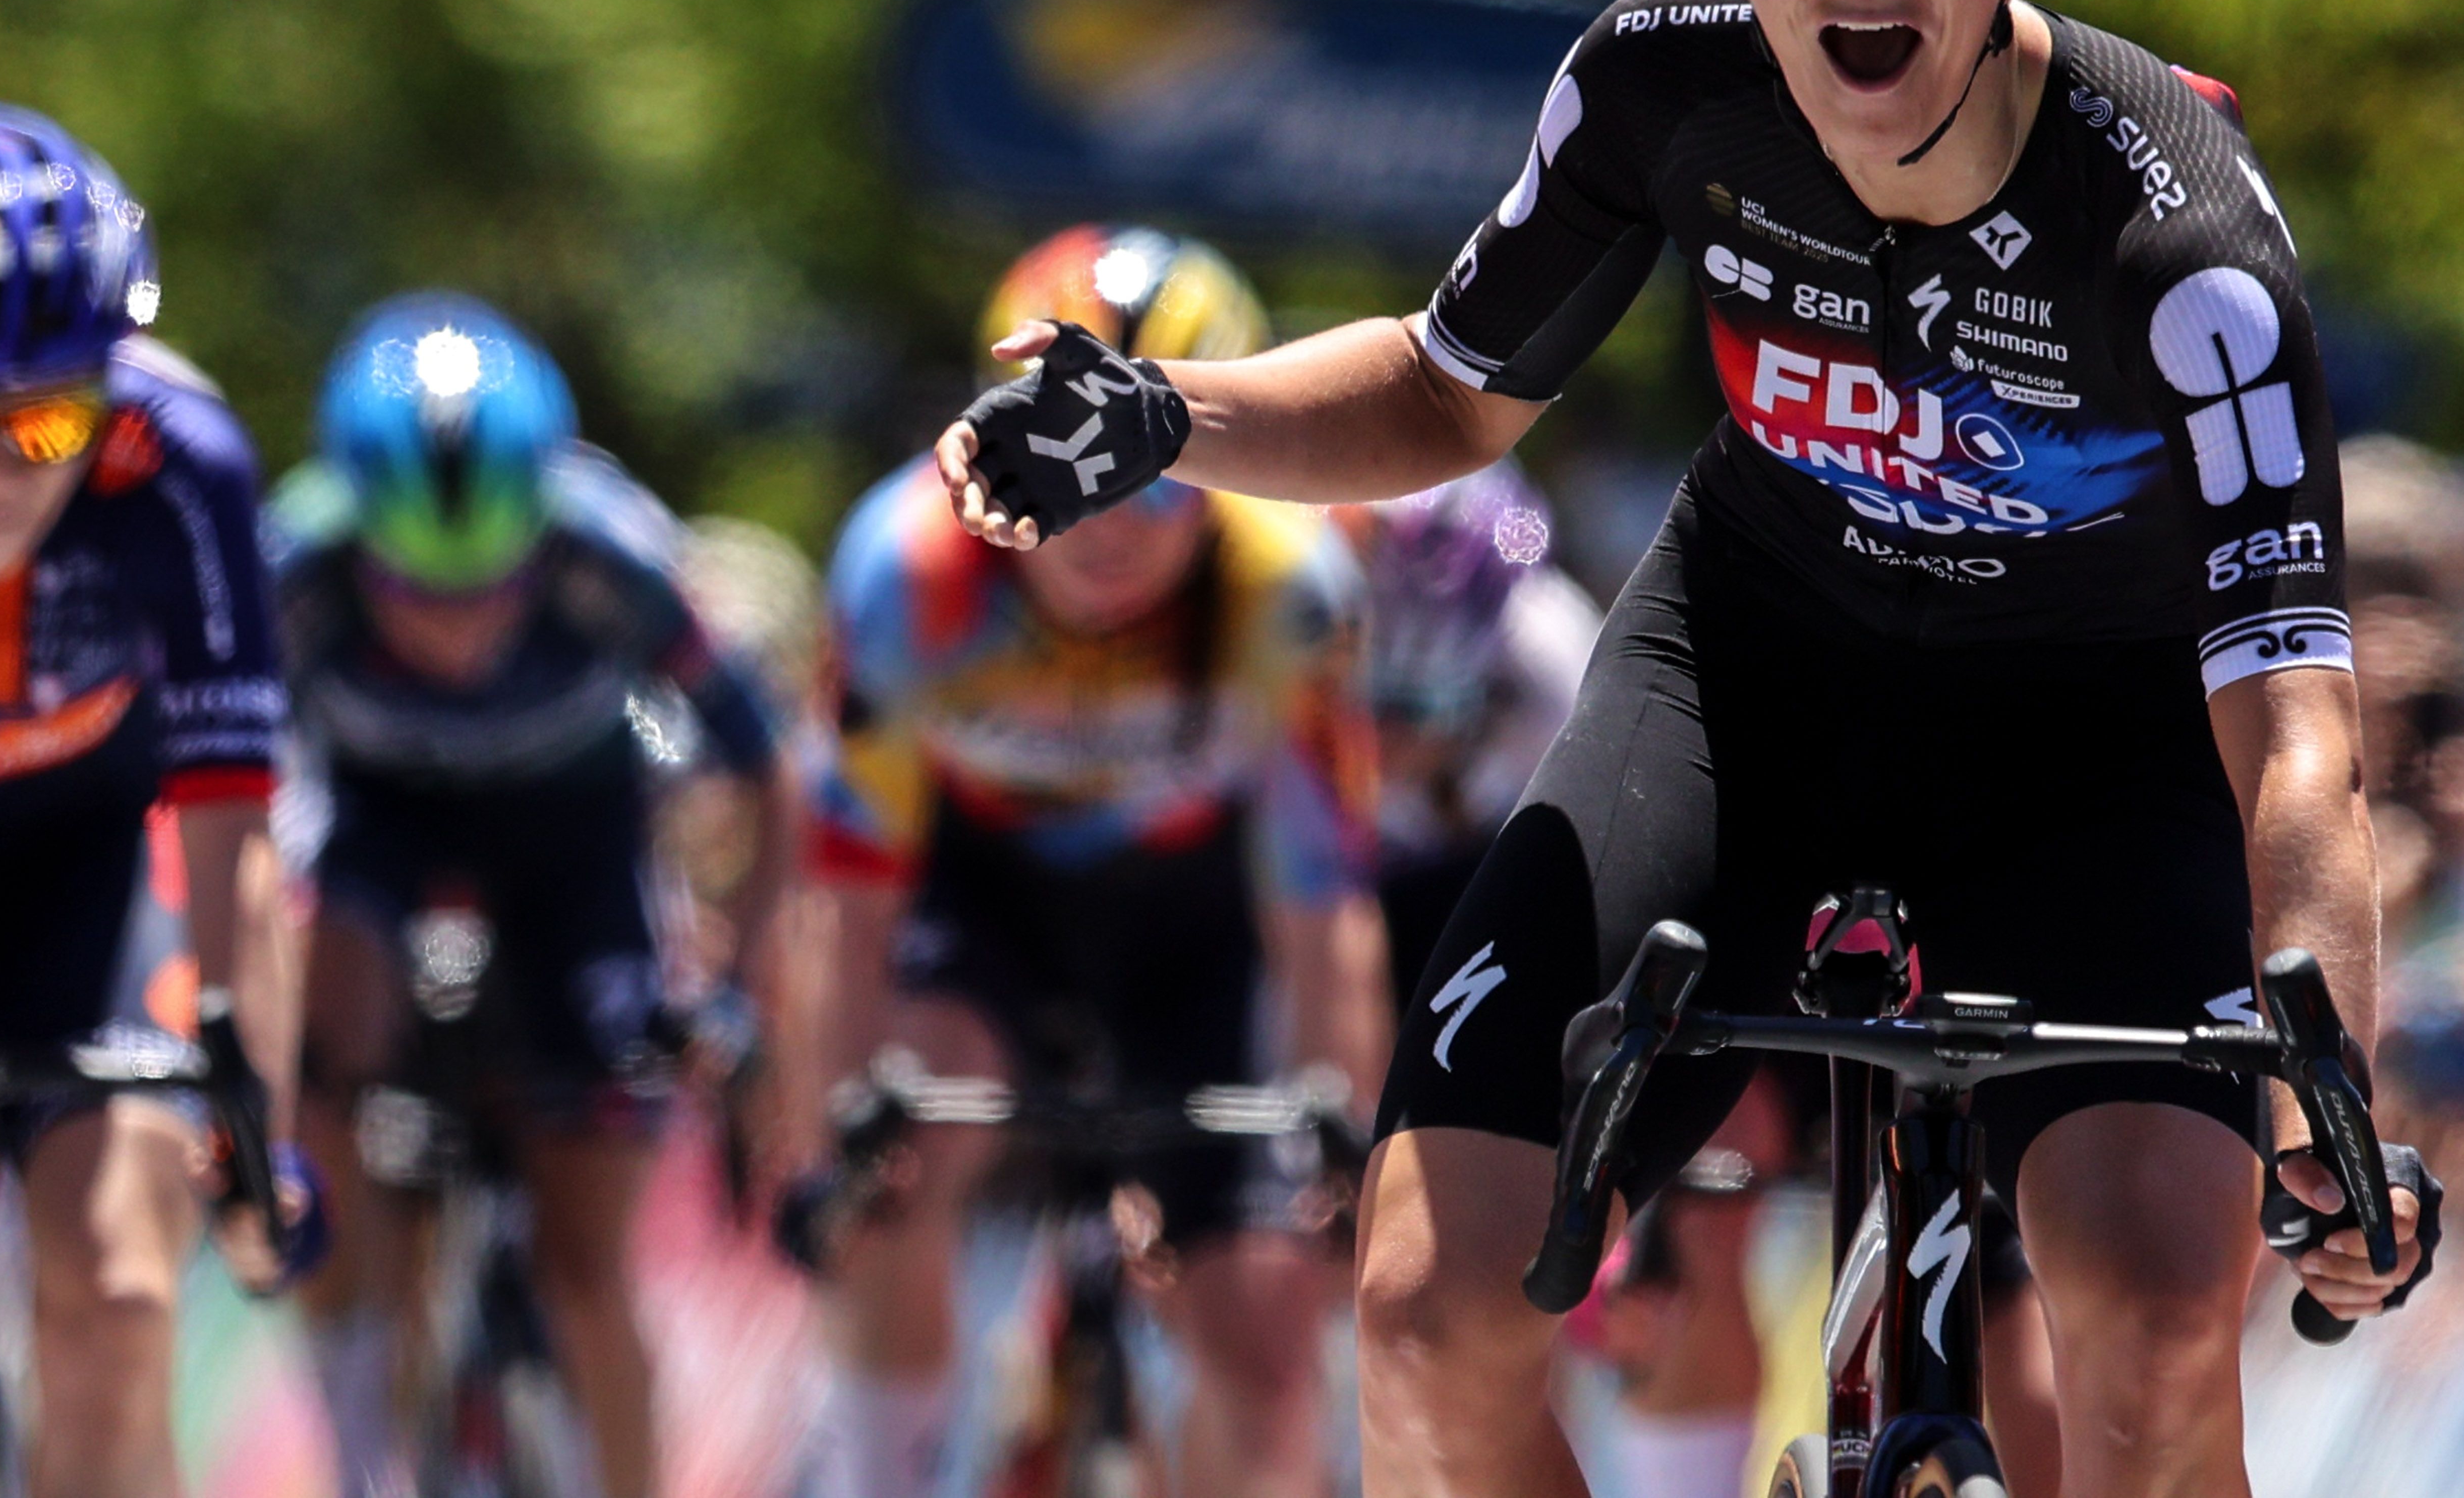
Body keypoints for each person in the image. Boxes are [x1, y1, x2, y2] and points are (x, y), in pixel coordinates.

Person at [938, 0, 2441, 1496]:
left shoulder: (2179, 239)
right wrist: (1172, 413)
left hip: (2098, 754)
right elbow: (1441, 393)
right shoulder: (1661, 84)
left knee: (2152, 1327)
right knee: (1426, 1310)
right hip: (1752, 689)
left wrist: (2328, 1093)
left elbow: (2299, 728)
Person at [808, 224, 1384, 1498]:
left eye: (1156, 478)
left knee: (1262, 1335)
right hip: (984, 910)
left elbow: (1323, 908)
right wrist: (831, 1127)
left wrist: (1344, 1132)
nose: (1107, 526)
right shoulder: (902, 571)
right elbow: (847, 897)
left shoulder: (1290, 592)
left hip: (1190, 931)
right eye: (1062, 468)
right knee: (897, 1167)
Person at [271, 294, 799, 1498]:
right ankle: (358, 1441)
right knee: (323, 1055)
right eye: (421, 595)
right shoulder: (291, 568)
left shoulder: (616, 554)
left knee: (588, 1259)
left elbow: (771, 773)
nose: (458, 631)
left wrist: (739, 980)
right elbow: (226, 800)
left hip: (577, 834)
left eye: (487, 592)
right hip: (382, 821)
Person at [0, 101, 293, 1496]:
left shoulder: (184, 464)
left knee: (119, 1292)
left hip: (77, 867)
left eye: (47, 421)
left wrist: (257, 1123)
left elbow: (234, 818)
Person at [1337, 463, 1597, 1016]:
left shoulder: (1551, 655)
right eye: (1369, 708)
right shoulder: (1306, 612)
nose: (1386, 741)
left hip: (1496, 876)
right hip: (1363, 883)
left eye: (1416, 710)